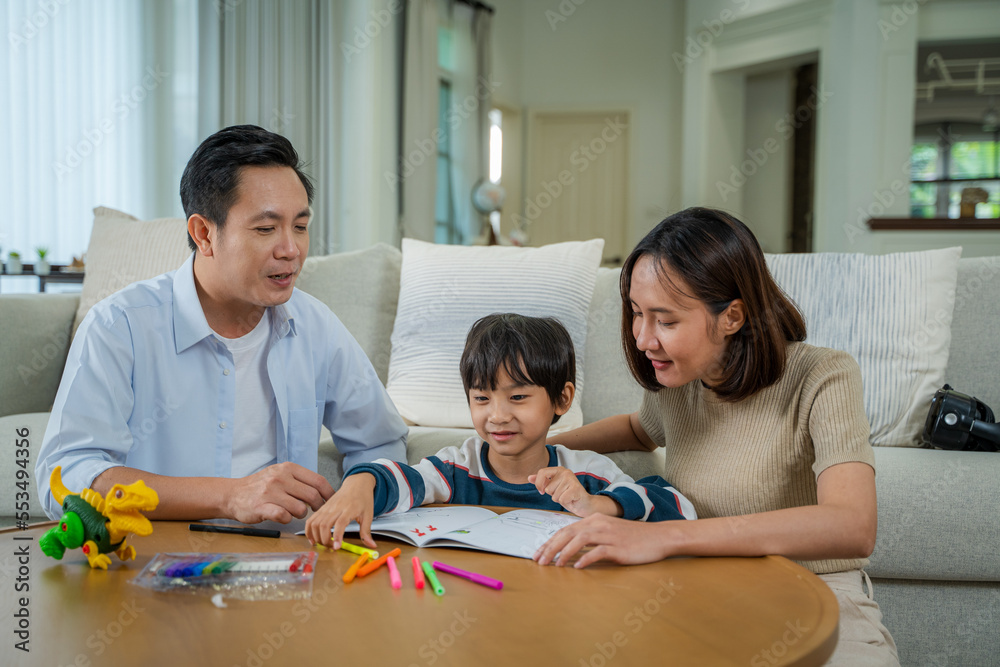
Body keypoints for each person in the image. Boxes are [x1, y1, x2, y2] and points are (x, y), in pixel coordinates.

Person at [533, 207, 898, 665]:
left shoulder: (823, 375)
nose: (644, 339)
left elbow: (853, 526)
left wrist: (664, 538)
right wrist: (541, 451)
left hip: (818, 590)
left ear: (732, 316)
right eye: (636, 313)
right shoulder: (678, 381)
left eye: (665, 321)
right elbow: (636, 429)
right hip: (702, 585)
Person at [36, 125, 407, 524]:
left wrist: (363, 483)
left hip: (283, 565)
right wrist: (229, 496)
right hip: (155, 563)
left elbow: (382, 442)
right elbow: (66, 477)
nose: (291, 250)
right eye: (266, 229)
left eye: (300, 226)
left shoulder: (316, 327)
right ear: (204, 234)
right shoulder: (119, 326)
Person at [304, 313, 695, 549]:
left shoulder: (586, 474)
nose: (498, 415)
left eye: (518, 397)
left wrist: (599, 505)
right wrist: (360, 484)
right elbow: (404, 479)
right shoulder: (456, 467)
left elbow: (679, 510)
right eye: (482, 398)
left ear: (561, 400)